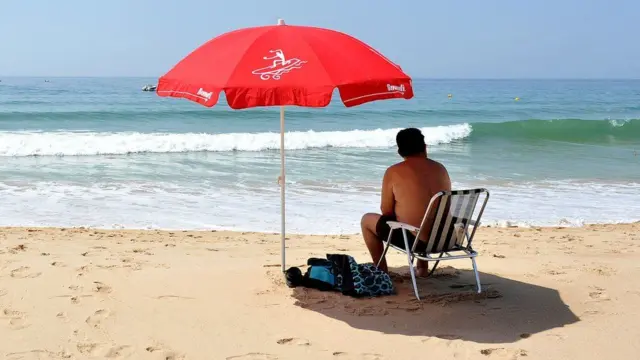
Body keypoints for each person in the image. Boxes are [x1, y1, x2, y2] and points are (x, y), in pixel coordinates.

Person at [361, 128, 451, 276]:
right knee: (425, 216)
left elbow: (386, 211)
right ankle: (422, 268)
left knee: (366, 221)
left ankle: (382, 272)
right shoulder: (440, 169)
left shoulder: (393, 172)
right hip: (445, 237)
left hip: (417, 241)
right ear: (425, 147)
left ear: (400, 151)